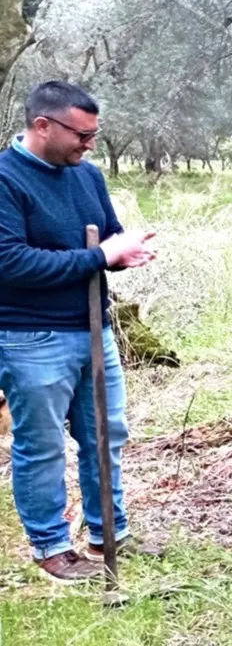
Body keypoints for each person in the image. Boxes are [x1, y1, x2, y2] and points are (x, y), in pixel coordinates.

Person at [0, 80, 163, 583]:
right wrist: (99, 256)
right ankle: (52, 547)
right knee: (42, 443)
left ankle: (108, 532)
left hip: (94, 329)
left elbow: (106, 238)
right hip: (30, 338)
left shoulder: (87, 176)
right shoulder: (6, 179)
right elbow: (10, 262)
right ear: (42, 125)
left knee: (105, 434)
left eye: (94, 134)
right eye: (82, 134)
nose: (90, 144)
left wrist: (121, 255)